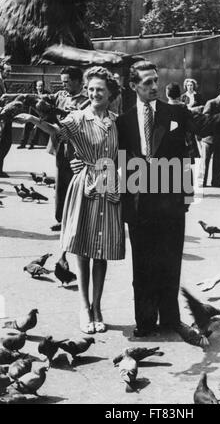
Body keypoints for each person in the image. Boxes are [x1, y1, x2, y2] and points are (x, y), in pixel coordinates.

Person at [116, 60, 220, 337]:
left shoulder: (175, 111)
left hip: (171, 201)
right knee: (142, 266)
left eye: (156, 80)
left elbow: (206, 125)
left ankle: (171, 320)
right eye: (147, 82)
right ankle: (145, 321)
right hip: (139, 203)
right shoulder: (123, 121)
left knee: (170, 262)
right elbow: (110, 156)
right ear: (133, 86)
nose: (155, 86)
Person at [15, 67, 125, 334]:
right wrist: (33, 119)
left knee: (103, 250)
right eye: (91, 89)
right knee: (84, 250)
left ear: (110, 93)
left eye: (100, 89)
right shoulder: (78, 118)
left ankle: (98, 307)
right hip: (85, 185)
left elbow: (124, 153)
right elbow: (56, 132)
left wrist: (120, 178)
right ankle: (84, 307)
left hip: (108, 185)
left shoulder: (116, 121)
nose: (94, 93)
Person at [48, 66, 88, 232]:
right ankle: (62, 219)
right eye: (62, 82)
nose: (63, 85)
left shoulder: (87, 100)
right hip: (60, 147)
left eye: (67, 82)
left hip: (78, 150)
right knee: (61, 184)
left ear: (79, 82)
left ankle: (77, 220)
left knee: (77, 184)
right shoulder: (60, 96)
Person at [17, 79, 50, 150]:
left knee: (38, 128)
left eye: (42, 86)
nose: (40, 88)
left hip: (42, 114)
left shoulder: (47, 94)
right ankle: (23, 144)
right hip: (33, 112)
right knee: (27, 127)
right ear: (36, 87)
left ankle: (32, 144)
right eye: (39, 86)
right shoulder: (32, 93)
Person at [0, 62, 12, 177]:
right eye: (7, 71)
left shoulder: (3, 82)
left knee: (6, 142)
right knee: (3, 142)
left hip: (6, 115)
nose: (9, 73)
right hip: (1, 116)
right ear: (1, 70)